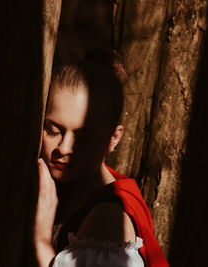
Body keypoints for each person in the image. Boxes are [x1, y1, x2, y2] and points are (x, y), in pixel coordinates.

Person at [33, 48, 168, 267]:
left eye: (84, 138)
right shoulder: (72, 192)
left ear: (114, 138)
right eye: (53, 130)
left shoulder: (109, 218)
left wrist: (40, 241)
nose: (64, 148)